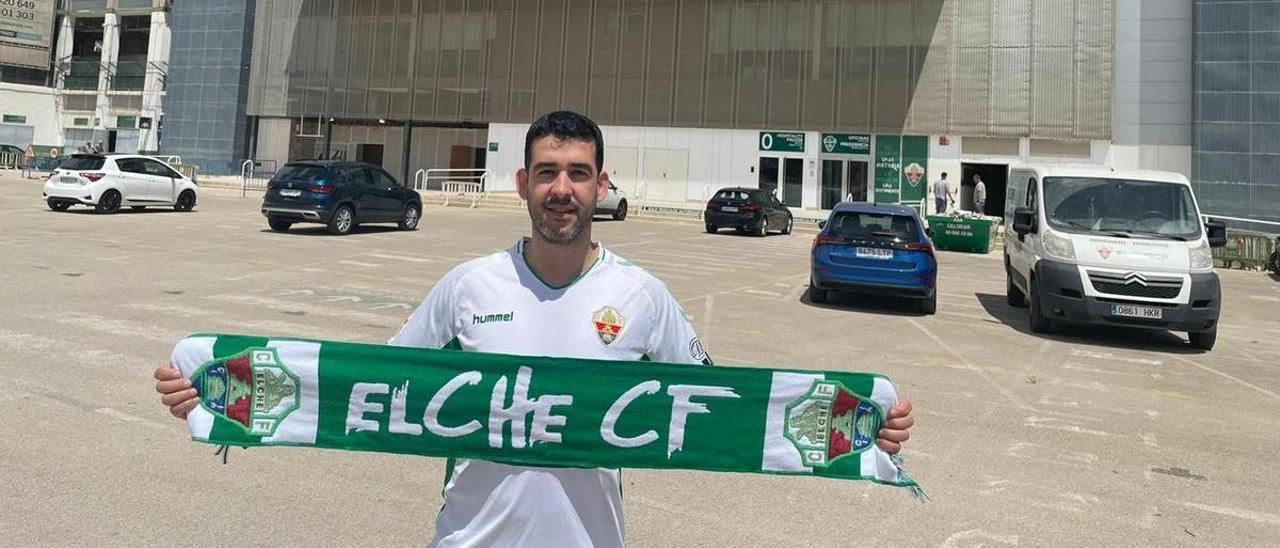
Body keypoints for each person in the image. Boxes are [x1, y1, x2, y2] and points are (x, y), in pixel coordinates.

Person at [153, 111, 916, 547]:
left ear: (601, 186)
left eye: (579, 173)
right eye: (548, 171)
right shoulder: (467, 286)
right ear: (522, 183)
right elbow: (361, 387)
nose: (562, 189)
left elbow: (727, 407)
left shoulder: (643, 298)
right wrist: (223, 394)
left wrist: (859, 428)